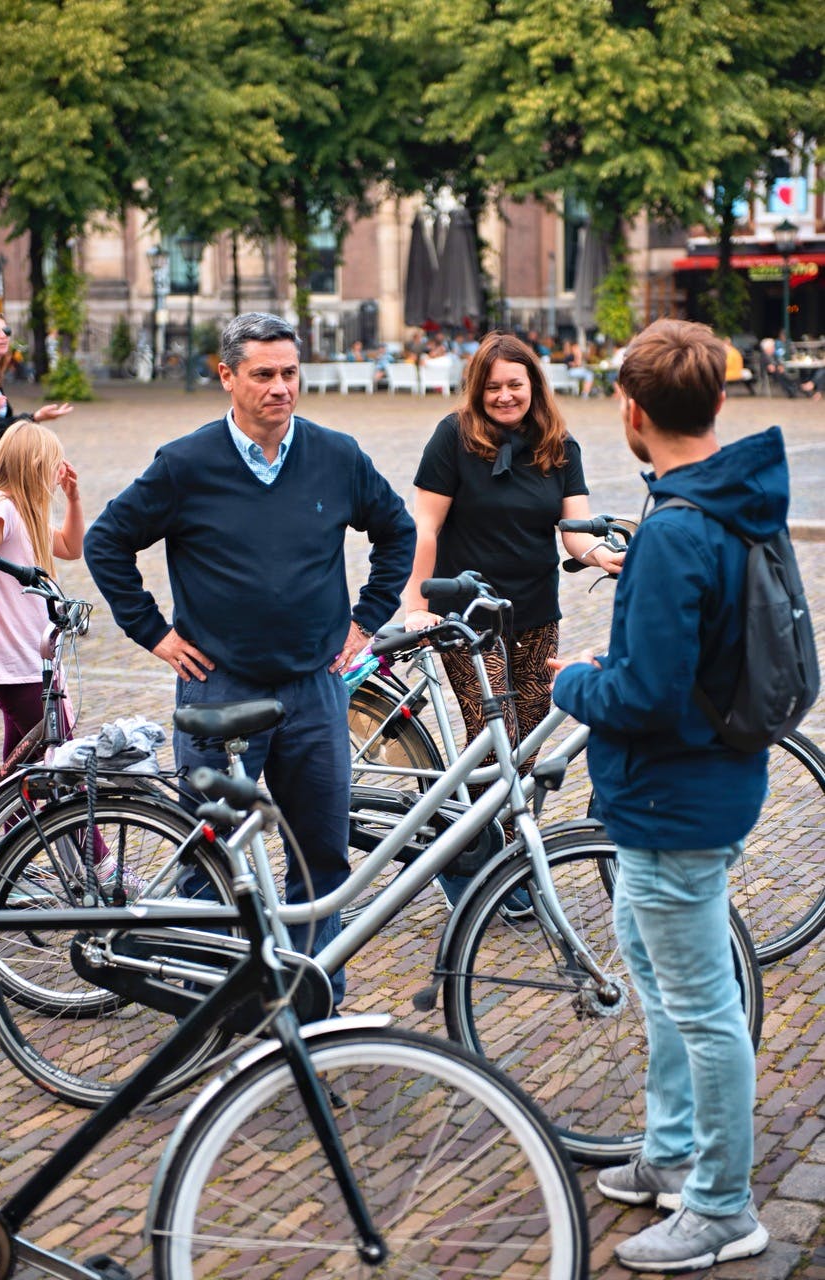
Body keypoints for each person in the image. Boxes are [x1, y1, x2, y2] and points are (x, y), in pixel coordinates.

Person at [84, 311, 416, 1006]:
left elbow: (396, 530)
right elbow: (106, 541)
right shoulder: (186, 465)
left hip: (314, 688)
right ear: (227, 376)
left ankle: (313, 1001)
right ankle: (211, 1001)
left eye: (289, 372)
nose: (279, 387)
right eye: (263, 374)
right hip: (220, 690)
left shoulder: (336, 455)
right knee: (211, 857)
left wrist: (365, 620)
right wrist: (154, 633)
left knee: (319, 856)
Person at [551, 318, 773, 1272]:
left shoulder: (677, 529)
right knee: (660, 974)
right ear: (718, 400)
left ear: (630, 412)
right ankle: (673, 1151)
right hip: (705, 781)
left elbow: (642, 698)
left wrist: (576, 680)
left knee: (702, 1006)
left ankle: (721, 1206)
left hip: (670, 799)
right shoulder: (735, 502)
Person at [403, 330, 624, 905]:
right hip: (467, 615)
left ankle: (498, 851)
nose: (505, 396)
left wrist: (603, 555)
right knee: (491, 734)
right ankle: (475, 865)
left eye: (515, 385)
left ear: (534, 386)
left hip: (533, 611)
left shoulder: (558, 444)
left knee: (524, 744)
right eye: (493, 386)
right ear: (478, 389)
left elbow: (574, 532)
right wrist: (416, 605)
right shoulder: (453, 437)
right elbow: (425, 526)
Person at [0, 420, 84, 762]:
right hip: (11, 660)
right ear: (36, 464)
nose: (59, 472)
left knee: (23, 766)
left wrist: (73, 498)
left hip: (31, 657)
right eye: (55, 463)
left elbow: (70, 547)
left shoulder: (22, 510)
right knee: (62, 761)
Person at [0, 313, 73, 490]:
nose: (3, 336)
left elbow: (0, 423)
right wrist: (32, 418)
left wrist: (36, 416)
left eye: (6, 331)